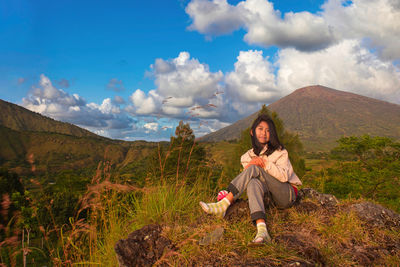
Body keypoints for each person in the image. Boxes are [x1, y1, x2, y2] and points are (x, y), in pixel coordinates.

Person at [199, 114, 302, 245]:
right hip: (269, 197)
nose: (264, 133)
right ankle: (262, 230)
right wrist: (253, 163)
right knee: (253, 182)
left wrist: (264, 163)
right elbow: (246, 179)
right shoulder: (246, 156)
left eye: (268, 130)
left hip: (286, 194)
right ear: (252, 132)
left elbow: (284, 177)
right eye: (260, 129)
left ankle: (224, 203)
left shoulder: (280, 151)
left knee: (255, 169)